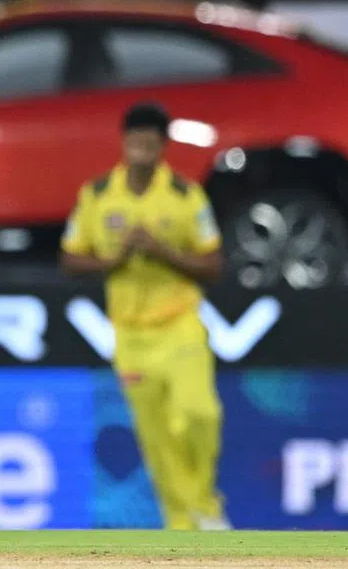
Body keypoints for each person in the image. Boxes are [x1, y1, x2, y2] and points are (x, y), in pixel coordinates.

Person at [58, 102, 230, 531]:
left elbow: (213, 265)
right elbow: (70, 259)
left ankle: (204, 506)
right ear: (124, 143)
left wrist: (161, 251)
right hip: (131, 334)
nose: (142, 152)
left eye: (151, 145)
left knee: (198, 414)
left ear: (162, 147)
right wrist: (112, 261)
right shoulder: (97, 195)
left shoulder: (185, 195)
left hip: (179, 324)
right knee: (156, 438)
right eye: (136, 142)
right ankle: (183, 527)